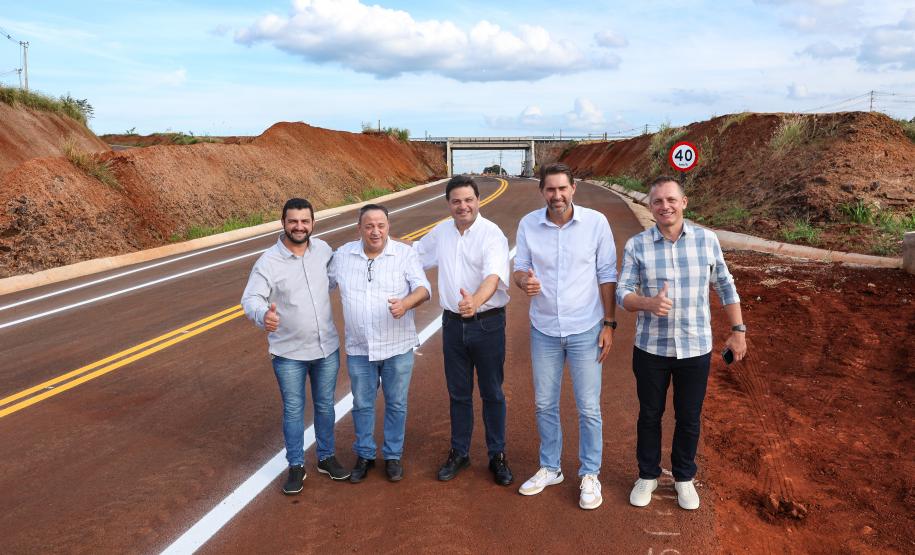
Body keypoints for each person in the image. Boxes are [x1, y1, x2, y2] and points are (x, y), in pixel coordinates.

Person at [617, 175, 748, 511]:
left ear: (684, 203)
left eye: (671, 200)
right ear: (650, 206)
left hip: (695, 347)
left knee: (689, 416)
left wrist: (738, 330)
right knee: (650, 414)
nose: (665, 206)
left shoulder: (707, 241)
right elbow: (623, 293)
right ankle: (647, 475)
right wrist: (647, 303)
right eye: (658, 201)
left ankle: (683, 477)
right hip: (651, 349)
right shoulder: (638, 245)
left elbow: (725, 285)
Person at [512, 163, 618, 510]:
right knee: (544, 403)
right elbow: (519, 269)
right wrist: (523, 282)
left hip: (585, 327)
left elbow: (606, 274)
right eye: (549, 190)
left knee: (588, 407)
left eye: (562, 189)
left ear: (574, 188)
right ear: (542, 191)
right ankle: (550, 467)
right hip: (543, 327)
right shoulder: (529, 224)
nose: (556, 196)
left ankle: (590, 473)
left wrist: (609, 323)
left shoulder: (596, 223)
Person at [241, 198, 350, 496]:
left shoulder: (324, 251)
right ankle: (296, 465)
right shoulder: (268, 262)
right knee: (293, 409)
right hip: (289, 353)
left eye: (305, 221)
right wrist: (263, 315)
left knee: (326, 405)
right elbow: (250, 299)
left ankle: (326, 458)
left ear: (313, 223)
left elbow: (341, 273)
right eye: (293, 221)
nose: (299, 226)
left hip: (325, 347)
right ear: (283, 223)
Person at [413, 174, 514, 486]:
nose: (463, 206)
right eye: (456, 201)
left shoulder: (491, 234)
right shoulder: (441, 232)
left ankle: (497, 455)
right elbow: (412, 254)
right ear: (449, 204)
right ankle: (460, 452)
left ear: (477, 201)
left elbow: (494, 276)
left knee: (492, 392)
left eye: (468, 200)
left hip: (487, 323)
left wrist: (476, 301)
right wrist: (369, 248)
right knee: (458, 393)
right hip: (453, 325)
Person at [330, 204, 430, 483]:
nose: (375, 231)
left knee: (396, 403)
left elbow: (424, 289)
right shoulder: (342, 256)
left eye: (381, 225)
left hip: (397, 346)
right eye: (369, 226)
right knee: (362, 403)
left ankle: (393, 455)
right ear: (359, 228)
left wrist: (406, 303)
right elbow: (319, 283)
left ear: (388, 227)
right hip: (360, 348)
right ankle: (365, 454)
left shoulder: (404, 255)